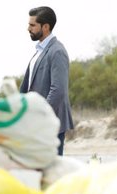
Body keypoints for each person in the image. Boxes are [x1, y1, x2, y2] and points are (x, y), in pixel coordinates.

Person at [20, 6, 74, 156]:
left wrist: (41, 117)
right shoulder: (39, 51)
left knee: (51, 172)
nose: (28, 28)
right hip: (34, 124)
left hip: (50, 123)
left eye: (32, 25)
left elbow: (58, 90)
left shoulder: (57, 51)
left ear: (45, 27)